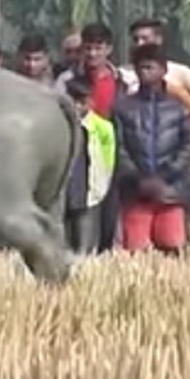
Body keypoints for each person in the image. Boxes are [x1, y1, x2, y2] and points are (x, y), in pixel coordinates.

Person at [112, 43, 190, 254]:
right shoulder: (123, 108)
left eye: (150, 67)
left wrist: (164, 177)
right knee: (137, 250)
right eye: (140, 68)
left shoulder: (177, 109)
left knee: (173, 246)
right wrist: (140, 180)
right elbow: (119, 148)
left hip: (170, 191)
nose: (144, 73)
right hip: (136, 191)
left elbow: (188, 146)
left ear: (163, 70)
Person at [63, 80, 116, 255]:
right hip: (64, 186)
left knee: (86, 237)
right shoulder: (59, 125)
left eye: (82, 101)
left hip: (89, 186)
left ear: (91, 101)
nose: (77, 106)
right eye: (73, 101)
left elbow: (109, 159)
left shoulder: (103, 127)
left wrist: (103, 183)